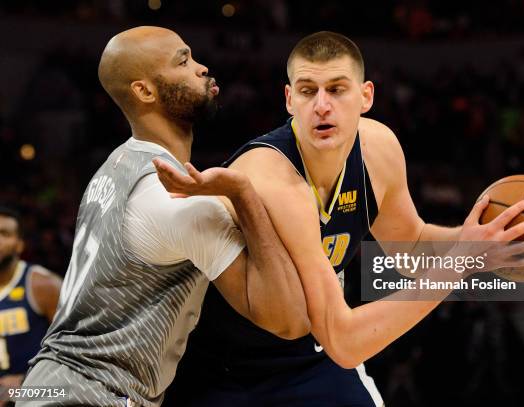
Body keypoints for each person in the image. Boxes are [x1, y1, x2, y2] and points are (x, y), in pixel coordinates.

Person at [158, 31, 524, 406]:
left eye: (337, 89)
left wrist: (479, 241)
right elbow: (343, 342)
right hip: (220, 366)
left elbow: (409, 247)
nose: (322, 105)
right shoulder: (272, 177)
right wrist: (461, 262)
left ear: (366, 96)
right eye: (308, 91)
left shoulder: (378, 150)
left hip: (307, 357)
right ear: (290, 100)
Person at [17, 26, 309, 407]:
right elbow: (288, 320)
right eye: (183, 61)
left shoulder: (114, 166)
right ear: (144, 91)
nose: (202, 68)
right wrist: (243, 193)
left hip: (44, 384)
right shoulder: (173, 200)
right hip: (94, 394)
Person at [0, 206, 61, 405]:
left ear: (19, 245)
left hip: (40, 391)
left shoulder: (44, 285)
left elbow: (74, 352)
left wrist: (26, 382)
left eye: (4, 234)